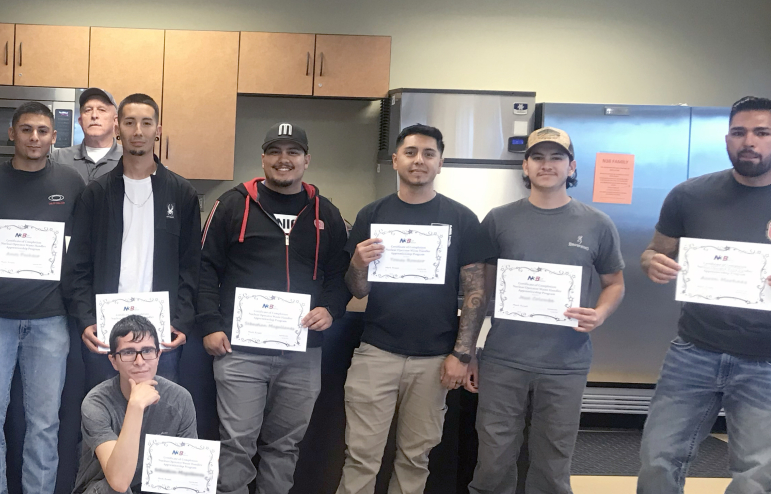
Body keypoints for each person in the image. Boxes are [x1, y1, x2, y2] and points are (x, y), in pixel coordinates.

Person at [637, 96, 771, 493]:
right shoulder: (688, 195)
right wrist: (651, 262)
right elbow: (655, 250)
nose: (750, 141)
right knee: (658, 460)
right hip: (694, 351)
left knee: (754, 476)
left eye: (762, 132)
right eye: (739, 132)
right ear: (727, 139)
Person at [468, 127, 625, 494]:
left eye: (556, 157)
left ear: (571, 167)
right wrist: (472, 351)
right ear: (525, 166)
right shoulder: (499, 219)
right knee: (493, 459)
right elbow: (482, 292)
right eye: (538, 157)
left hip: (565, 362)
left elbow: (615, 283)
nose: (547, 165)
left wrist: (599, 313)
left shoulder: (597, 223)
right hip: (503, 359)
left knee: (553, 463)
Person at [199, 122, 352, 494]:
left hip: (301, 354)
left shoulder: (326, 213)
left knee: (284, 447)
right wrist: (209, 324)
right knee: (237, 446)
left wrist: (331, 308)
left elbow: (339, 274)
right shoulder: (231, 204)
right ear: (263, 157)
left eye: (293, 152)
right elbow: (204, 267)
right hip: (241, 352)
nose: (284, 160)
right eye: (275, 152)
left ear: (306, 160)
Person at [339, 124, 488, 494]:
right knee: (360, 457)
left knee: (415, 458)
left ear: (440, 163)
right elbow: (358, 289)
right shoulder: (372, 214)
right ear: (395, 160)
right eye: (410, 152)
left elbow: (476, 293)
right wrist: (358, 262)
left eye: (428, 153)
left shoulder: (462, 219)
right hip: (377, 352)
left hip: (435, 359)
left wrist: (462, 353)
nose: (418, 160)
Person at [0, 102, 86, 493]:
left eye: (43, 131)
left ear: (53, 136)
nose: (34, 137)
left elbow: (81, 251)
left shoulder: (71, 183)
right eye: (26, 129)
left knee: (45, 423)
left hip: (50, 318)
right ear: (12, 133)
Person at [64, 92, 200, 390]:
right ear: (117, 128)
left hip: (161, 335)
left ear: (158, 130)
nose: (138, 131)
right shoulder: (95, 194)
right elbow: (77, 266)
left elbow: (191, 267)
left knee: (159, 420)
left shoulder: (182, 194)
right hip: (107, 332)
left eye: (146, 123)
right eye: (129, 122)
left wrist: (181, 321)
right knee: (104, 419)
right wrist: (86, 319)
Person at [73, 315, 197, 494]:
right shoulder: (96, 402)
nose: (140, 362)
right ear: (113, 361)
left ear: (158, 355)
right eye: (128, 352)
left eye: (147, 351)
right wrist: (135, 407)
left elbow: (185, 475)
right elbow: (119, 481)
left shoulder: (180, 399)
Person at [49, 88, 121, 183]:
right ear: (80, 121)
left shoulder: (129, 160)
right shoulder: (58, 158)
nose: (94, 115)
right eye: (88, 110)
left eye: (102, 110)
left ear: (115, 120)